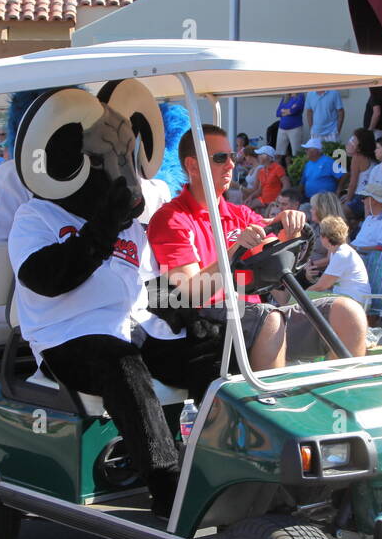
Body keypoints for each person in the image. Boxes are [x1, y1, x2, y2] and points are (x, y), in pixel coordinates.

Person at [147, 124, 367, 369]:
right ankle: (270, 404)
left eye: (231, 157)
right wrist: (233, 252)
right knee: (268, 319)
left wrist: (290, 235)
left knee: (348, 313)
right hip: (204, 325)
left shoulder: (241, 214)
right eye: (220, 158)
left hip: (253, 317)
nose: (231, 165)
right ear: (192, 166)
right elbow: (188, 294)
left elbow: (277, 270)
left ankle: (338, 401)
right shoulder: (171, 219)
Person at [308, 215, 370, 305]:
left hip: (355, 303)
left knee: (300, 300)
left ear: (325, 237)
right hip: (349, 300)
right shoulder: (338, 252)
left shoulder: (341, 254)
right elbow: (327, 283)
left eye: (320, 235)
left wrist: (302, 294)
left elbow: (321, 286)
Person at [350, 180, 382, 251]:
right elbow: (359, 241)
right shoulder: (369, 218)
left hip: (367, 258)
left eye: (364, 197)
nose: (362, 201)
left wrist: (356, 249)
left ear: (373, 200)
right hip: (356, 255)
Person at [339, 128, 377, 219]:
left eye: (354, 140)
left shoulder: (357, 158)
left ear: (360, 145)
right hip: (369, 196)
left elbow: (353, 183)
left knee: (338, 213)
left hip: (361, 197)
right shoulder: (371, 157)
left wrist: (348, 200)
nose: (350, 142)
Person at [274, 93, 305, 164]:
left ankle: (296, 173)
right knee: (278, 154)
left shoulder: (300, 95)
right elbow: (277, 113)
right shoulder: (285, 97)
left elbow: (296, 109)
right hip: (282, 129)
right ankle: (276, 173)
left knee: (297, 154)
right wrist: (289, 110)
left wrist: (285, 111)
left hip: (295, 128)